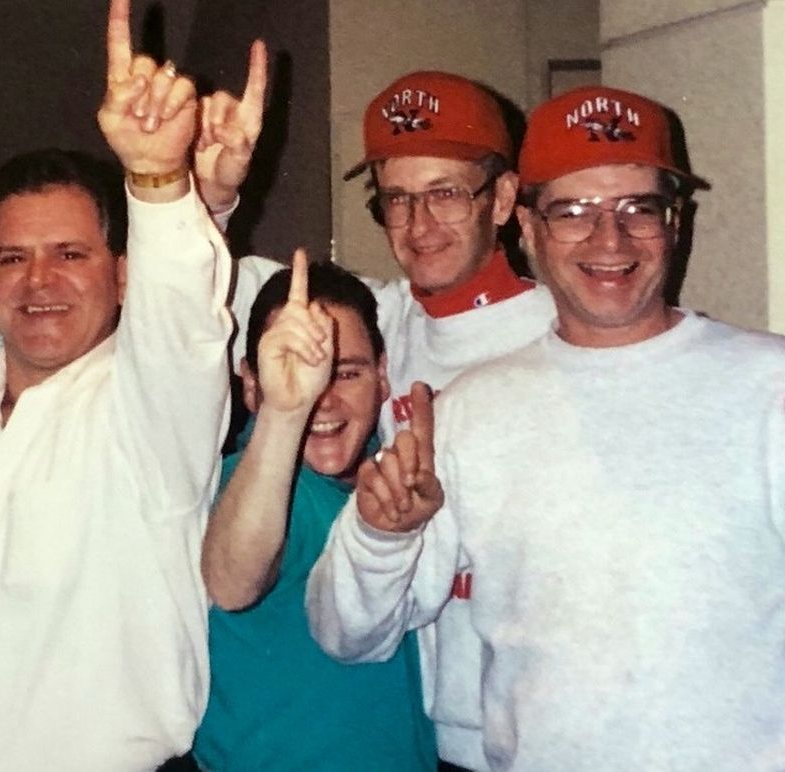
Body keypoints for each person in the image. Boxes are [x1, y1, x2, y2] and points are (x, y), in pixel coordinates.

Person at [306, 85, 785, 770]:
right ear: (529, 228)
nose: (609, 239)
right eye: (573, 212)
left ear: (675, 222)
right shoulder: (469, 411)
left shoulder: (769, 388)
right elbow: (349, 635)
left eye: (638, 208)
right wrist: (382, 536)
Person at [0, 0, 235, 771]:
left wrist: (156, 178)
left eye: (71, 254)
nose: (39, 281)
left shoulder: (149, 408)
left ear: (122, 274)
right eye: (13, 258)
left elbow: (182, 324)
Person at [214, 71, 556, 771]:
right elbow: (209, 288)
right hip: (431, 735)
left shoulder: (559, 333)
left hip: (542, 732)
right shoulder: (382, 318)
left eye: (445, 194)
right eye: (397, 199)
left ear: (502, 199)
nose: (419, 226)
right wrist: (214, 200)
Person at [195, 252, 436, 771]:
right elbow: (232, 582)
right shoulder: (251, 484)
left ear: (382, 375)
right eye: (298, 372)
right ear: (251, 384)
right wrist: (285, 412)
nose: (321, 399)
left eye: (345, 373)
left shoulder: (392, 477)